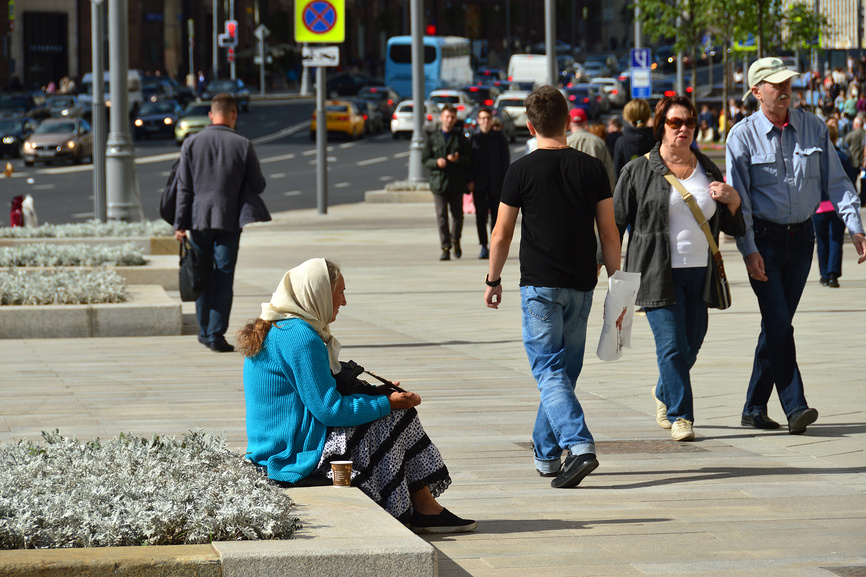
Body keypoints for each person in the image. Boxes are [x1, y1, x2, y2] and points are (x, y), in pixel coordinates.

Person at [239, 259, 476, 534]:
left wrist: (376, 395)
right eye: (339, 292)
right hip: (292, 452)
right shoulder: (300, 337)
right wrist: (385, 402)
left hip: (279, 442)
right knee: (395, 416)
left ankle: (425, 507)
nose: (344, 301)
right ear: (318, 293)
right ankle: (422, 509)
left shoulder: (279, 326)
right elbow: (329, 410)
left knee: (392, 412)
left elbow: (317, 396)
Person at [483, 86, 622, 488]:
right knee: (563, 372)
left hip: (540, 287)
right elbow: (610, 235)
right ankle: (546, 455)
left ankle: (578, 446)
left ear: (529, 126)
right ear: (568, 122)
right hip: (582, 285)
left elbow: (501, 233)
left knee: (548, 370)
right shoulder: (592, 169)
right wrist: (617, 285)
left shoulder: (520, 170)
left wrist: (493, 279)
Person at [727, 57, 866, 435]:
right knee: (778, 322)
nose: (786, 89)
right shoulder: (741, 136)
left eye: (789, 82)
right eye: (776, 84)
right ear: (757, 91)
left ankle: (754, 406)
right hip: (765, 242)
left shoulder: (813, 128)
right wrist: (748, 249)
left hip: (803, 240)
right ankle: (795, 406)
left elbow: (836, 182)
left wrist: (855, 226)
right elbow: (741, 202)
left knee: (778, 323)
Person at [614, 96, 745, 442]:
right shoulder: (638, 171)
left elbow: (732, 228)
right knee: (671, 346)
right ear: (661, 127)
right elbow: (614, 223)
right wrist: (604, 265)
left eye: (689, 123)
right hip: (657, 272)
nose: (683, 128)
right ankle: (681, 416)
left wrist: (733, 201)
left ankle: (663, 390)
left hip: (700, 272)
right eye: (675, 123)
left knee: (691, 345)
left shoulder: (708, 169)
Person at [174, 93, 269, 352]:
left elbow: (184, 189)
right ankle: (216, 333)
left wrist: (179, 225)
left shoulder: (191, 143)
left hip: (198, 220)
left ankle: (204, 331)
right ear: (234, 114)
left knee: (201, 274)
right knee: (224, 277)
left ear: (210, 115)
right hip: (229, 219)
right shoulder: (243, 144)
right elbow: (258, 184)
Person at [422, 104, 471, 261]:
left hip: (455, 182)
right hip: (439, 182)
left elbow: (469, 159)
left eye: (452, 117)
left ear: (455, 119)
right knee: (441, 215)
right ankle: (445, 247)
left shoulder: (460, 138)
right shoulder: (433, 138)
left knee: (457, 215)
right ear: (441, 117)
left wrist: (457, 160)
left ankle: (456, 239)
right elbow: (425, 159)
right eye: (447, 116)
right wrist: (437, 162)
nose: (449, 120)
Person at [814, 119, 857, 288]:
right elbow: (850, 181)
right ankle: (833, 274)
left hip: (818, 207)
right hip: (838, 205)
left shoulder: (814, 157)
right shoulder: (842, 157)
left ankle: (824, 274)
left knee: (822, 240)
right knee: (836, 240)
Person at [467, 107, 510, 260]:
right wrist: (470, 180)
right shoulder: (473, 138)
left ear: (492, 121)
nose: (485, 121)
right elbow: (468, 163)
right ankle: (483, 245)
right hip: (479, 184)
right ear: (478, 121)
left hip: (496, 184)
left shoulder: (498, 138)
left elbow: (505, 161)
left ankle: (494, 245)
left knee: (496, 218)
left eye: (488, 118)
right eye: (482, 118)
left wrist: (505, 182)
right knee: (480, 217)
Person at [567, 107, 616, 193]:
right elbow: (609, 173)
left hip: (571, 197)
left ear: (570, 124)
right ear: (586, 123)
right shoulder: (598, 142)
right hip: (595, 196)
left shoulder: (566, 143)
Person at [614, 99, 655, 176]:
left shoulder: (622, 141)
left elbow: (618, 171)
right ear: (647, 115)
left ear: (627, 116)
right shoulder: (657, 139)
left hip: (630, 185)